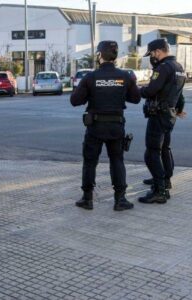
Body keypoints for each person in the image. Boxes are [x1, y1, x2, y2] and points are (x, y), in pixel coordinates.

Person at [70, 40, 141, 211]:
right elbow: (136, 98)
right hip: (116, 127)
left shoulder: (91, 77)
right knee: (117, 161)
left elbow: (75, 100)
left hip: (95, 127)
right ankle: (120, 199)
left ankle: (87, 199)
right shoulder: (125, 76)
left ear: (99, 55)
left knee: (90, 162)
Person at [138, 39, 186, 204]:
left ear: (158, 51)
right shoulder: (179, 67)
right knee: (164, 148)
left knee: (151, 152)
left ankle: (160, 190)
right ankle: (165, 180)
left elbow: (151, 90)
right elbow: (180, 94)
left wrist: (137, 90)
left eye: (151, 54)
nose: (152, 57)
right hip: (170, 115)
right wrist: (179, 109)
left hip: (158, 115)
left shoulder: (163, 68)